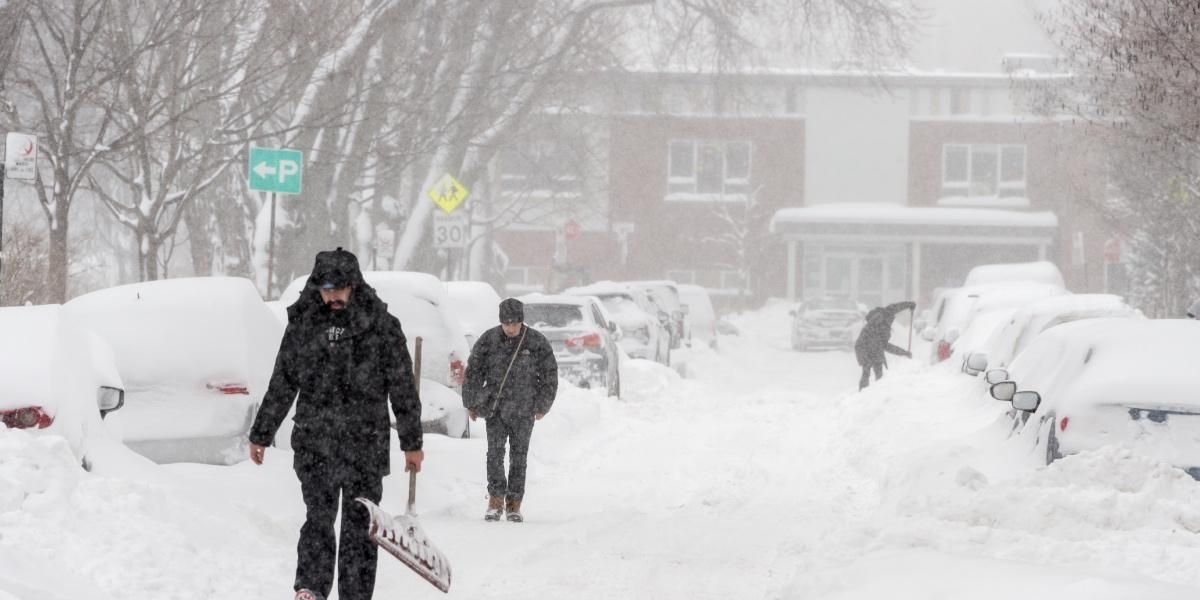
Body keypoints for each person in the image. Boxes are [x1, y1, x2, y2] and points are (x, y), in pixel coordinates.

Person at [247, 247, 424, 600]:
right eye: (326, 290)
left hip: (365, 444)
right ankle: (310, 588)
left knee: (360, 525)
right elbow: (283, 381)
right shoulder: (303, 326)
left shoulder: (382, 326)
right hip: (316, 442)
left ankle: (355, 596)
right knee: (318, 519)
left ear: (354, 286)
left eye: (340, 289)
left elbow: (402, 386)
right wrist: (262, 433)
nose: (333, 297)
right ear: (316, 287)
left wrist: (412, 442)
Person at [462, 298, 558, 522]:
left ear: (522, 322)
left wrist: (543, 405)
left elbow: (549, 375)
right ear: (500, 322)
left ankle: (514, 503)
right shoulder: (488, 340)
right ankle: (495, 499)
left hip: (525, 410)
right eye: (506, 323)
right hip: (495, 408)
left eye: (514, 323)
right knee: (494, 454)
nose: (511, 328)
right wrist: (471, 403)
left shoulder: (536, 342)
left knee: (519, 456)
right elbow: (473, 372)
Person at [854, 300, 917, 390]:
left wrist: (904, 353)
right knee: (867, 370)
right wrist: (909, 304)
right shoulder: (882, 317)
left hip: (867, 346)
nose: (893, 319)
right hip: (864, 347)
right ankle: (864, 394)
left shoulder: (883, 319)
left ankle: (874, 392)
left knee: (876, 370)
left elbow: (885, 346)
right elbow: (886, 346)